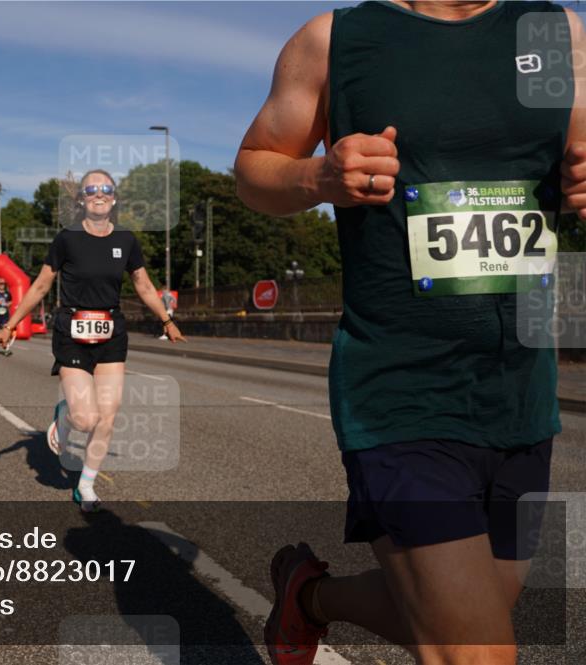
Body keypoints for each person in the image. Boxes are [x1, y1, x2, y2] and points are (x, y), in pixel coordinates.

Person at [233, 2, 585, 664]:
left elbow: (578, 161)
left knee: (480, 606)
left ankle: (310, 598)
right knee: (475, 650)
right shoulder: (335, 40)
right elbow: (254, 165)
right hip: (400, 386)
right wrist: (318, 176)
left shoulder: (556, 32)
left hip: (521, 393)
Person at [0, 169, 184, 511]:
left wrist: (166, 320)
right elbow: (40, 285)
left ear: (114, 197)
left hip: (112, 332)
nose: (99, 194)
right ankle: (64, 417)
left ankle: (86, 486)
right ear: (81, 199)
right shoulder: (67, 238)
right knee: (84, 419)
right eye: (91, 189)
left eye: (105, 189)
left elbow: (142, 285)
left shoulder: (126, 240)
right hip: (72, 331)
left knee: (107, 417)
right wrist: (10, 324)